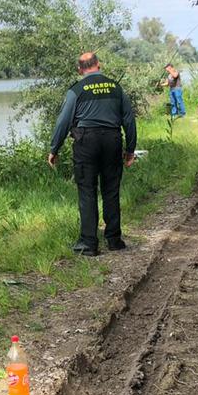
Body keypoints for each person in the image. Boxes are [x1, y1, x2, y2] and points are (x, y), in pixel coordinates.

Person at [47, 52, 137, 256]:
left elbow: (63, 122)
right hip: (112, 141)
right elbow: (129, 120)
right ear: (99, 65)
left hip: (86, 142)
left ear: (80, 70)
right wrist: (130, 150)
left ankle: (89, 243)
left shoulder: (76, 90)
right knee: (111, 190)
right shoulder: (116, 88)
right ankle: (114, 240)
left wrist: (54, 148)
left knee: (87, 191)